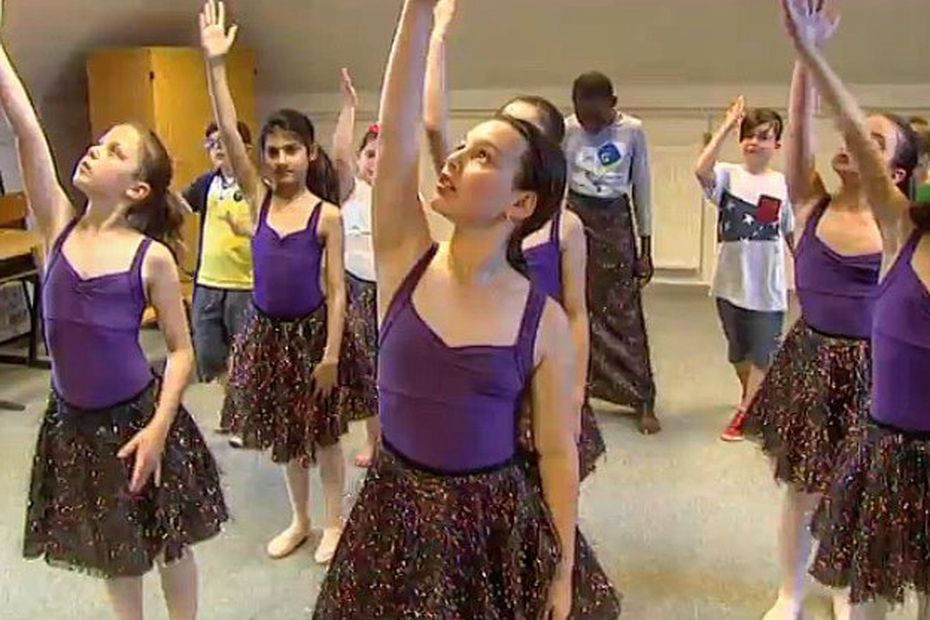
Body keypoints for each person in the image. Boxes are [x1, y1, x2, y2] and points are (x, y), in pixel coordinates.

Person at [314, 1, 620, 618]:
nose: (453, 160)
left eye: (482, 157)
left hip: (489, 523)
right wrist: (418, 11)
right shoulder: (405, 256)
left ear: (520, 203)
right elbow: (399, 133)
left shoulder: (543, 322)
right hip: (393, 512)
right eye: (463, 147)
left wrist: (560, 573)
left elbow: (558, 454)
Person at [5, 3, 228, 617]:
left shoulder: (149, 258)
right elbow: (27, 132)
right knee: (112, 546)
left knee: (169, 543)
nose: (93, 151)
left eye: (112, 150)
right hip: (73, 423)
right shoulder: (56, 227)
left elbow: (181, 351)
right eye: (98, 143)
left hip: (138, 418)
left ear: (137, 190)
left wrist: (158, 428)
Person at [740, 4, 916, 615]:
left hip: (875, 372)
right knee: (802, 490)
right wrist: (802, 54)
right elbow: (801, 129)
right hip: (813, 364)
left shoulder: (897, 230)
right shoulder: (811, 202)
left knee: (860, 495)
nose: (853, 143)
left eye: (872, 141)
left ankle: (844, 591)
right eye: (853, 133)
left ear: (893, 171)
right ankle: (790, 589)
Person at [422, 0, 606, 479]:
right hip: (485, 368)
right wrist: (437, 36)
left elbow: (577, 312)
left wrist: (576, 391)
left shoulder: (565, 228)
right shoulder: (475, 205)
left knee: (546, 481)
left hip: (542, 369)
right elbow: (433, 126)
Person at [199, 0, 348, 565]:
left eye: (292, 150)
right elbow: (232, 144)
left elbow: (336, 290)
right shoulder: (257, 200)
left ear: (310, 155)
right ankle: (301, 520)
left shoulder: (325, 215)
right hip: (268, 333)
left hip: (314, 336)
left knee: (326, 434)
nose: (281, 159)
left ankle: (335, 521)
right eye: (273, 150)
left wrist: (332, 353)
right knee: (288, 435)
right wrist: (216, 68)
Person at [563, 70, 660, 434]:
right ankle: (580, 391)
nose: (587, 121)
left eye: (595, 113)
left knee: (623, 312)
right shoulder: (567, 129)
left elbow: (642, 188)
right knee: (579, 307)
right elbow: (558, 185)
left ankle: (642, 396)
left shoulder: (632, 131)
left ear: (613, 104)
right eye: (580, 111)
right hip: (577, 218)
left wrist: (646, 247)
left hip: (615, 221)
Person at [694, 101, 795, 442]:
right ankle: (751, 399)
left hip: (767, 286)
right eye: (748, 136)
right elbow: (701, 169)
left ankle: (745, 414)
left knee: (763, 353)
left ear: (776, 145)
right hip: (729, 282)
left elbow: (791, 232)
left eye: (764, 137)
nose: (754, 142)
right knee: (738, 353)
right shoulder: (727, 175)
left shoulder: (783, 185)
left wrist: (810, 274)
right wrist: (726, 125)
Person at [183, 120, 254, 441]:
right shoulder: (205, 184)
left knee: (243, 352)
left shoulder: (256, 184)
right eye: (212, 143)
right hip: (208, 281)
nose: (219, 148)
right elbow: (177, 207)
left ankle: (243, 415)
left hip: (245, 283)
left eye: (225, 141)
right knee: (209, 353)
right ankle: (235, 405)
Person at [331, 67, 381, 468]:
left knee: (389, 369)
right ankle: (374, 438)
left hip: (391, 289)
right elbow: (338, 156)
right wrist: (349, 108)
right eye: (369, 155)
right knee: (365, 369)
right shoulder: (352, 191)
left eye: (384, 157)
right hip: (354, 288)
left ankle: (391, 437)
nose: (375, 163)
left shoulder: (401, 194)